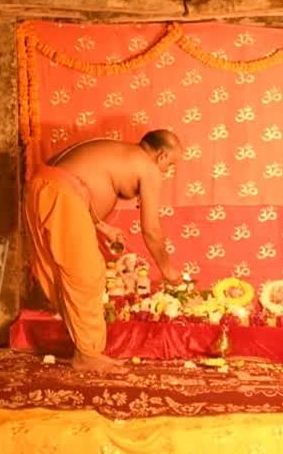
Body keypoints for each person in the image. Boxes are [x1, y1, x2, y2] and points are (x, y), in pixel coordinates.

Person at [23, 129, 184, 372]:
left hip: (42, 188)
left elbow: (75, 179)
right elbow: (151, 229)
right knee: (87, 275)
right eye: (170, 165)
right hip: (62, 195)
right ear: (161, 156)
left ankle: (84, 349)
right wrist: (168, 269)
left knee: (63, 275)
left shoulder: (115, 149)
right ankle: (88, 354)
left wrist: (102, 227)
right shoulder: (149, 168)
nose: (167, 171)